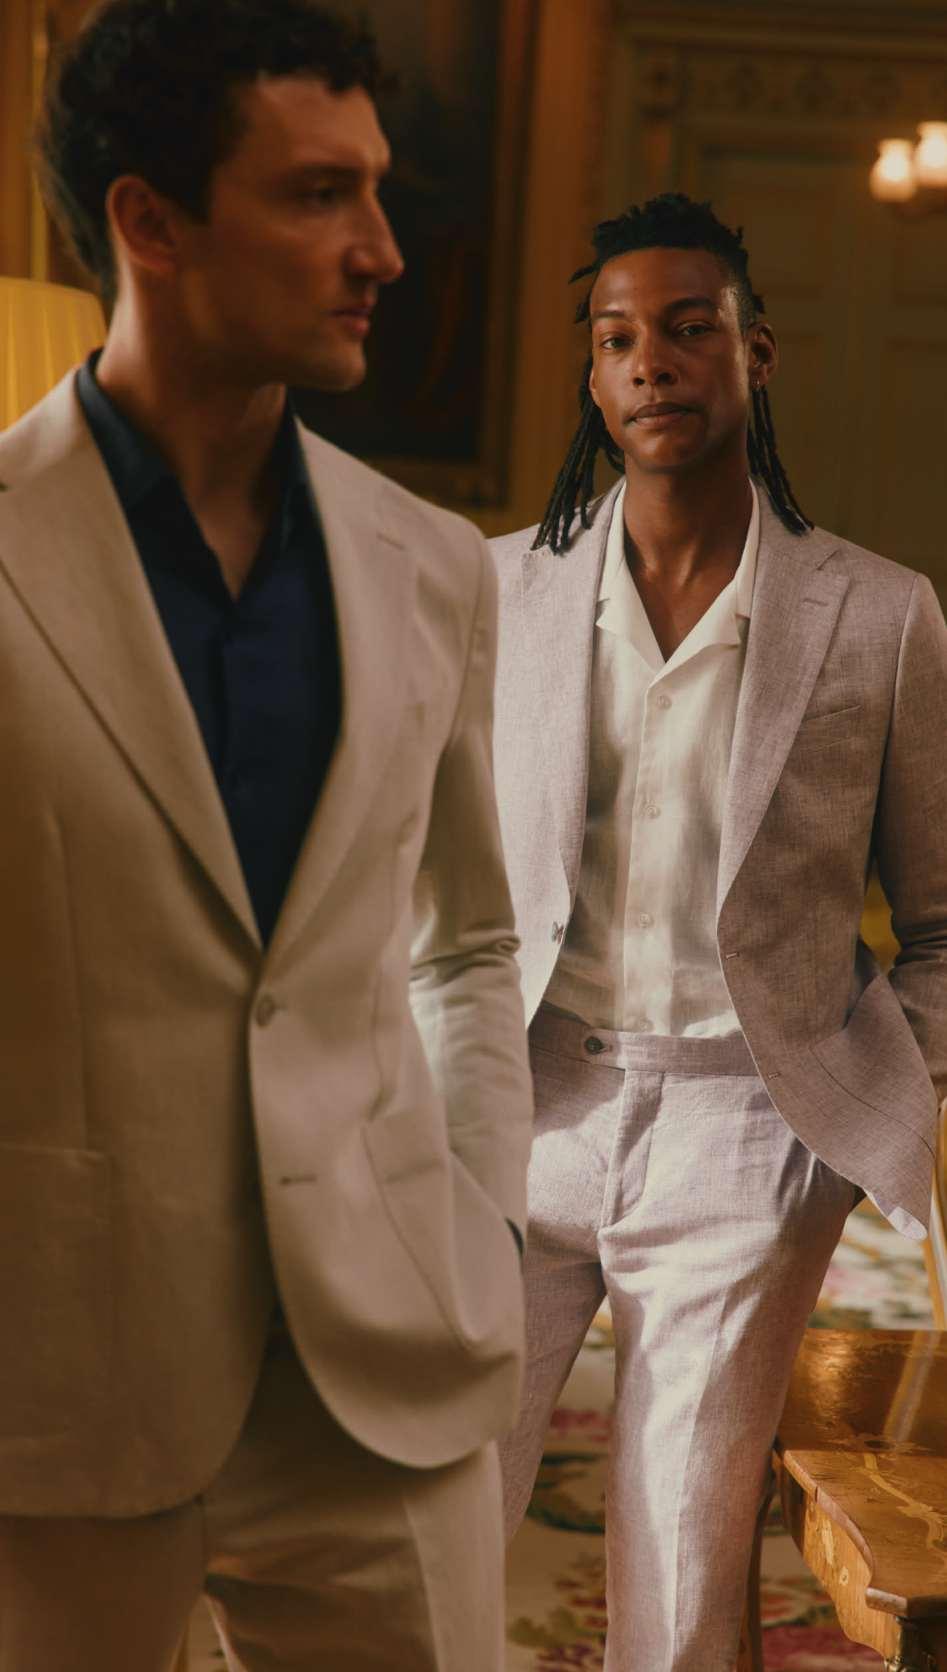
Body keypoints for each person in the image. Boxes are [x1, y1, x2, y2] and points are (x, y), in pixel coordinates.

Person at [0, 3, 532, 1667]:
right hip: (62, 1382)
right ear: (150, 222)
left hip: (381, 1363)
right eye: (317, 195)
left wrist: (484, 1219)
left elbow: (468, 940)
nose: (383, 249)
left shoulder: (432, 565)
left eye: (377, 188)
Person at [490, 192, 947, 1671]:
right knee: (418, 1522)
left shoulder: (880, 615)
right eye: (616, 338)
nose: (651, 362)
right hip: (515, 1105)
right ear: (592, 375)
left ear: (757, 351)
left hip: (745, 1130)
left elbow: (945, 921)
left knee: (681, 1572)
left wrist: (852, 1111)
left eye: (689, 329)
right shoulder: (497, 595)